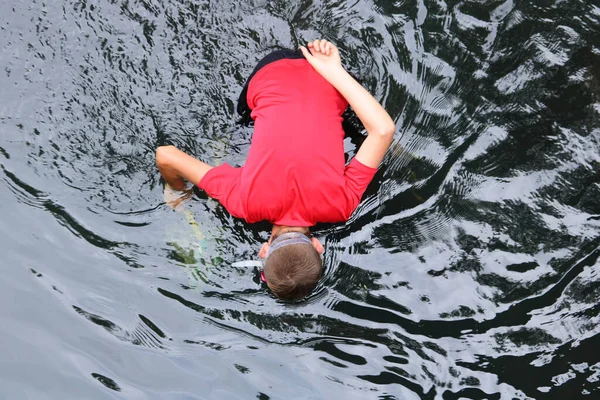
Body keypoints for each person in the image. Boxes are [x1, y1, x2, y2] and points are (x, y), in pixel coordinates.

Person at [156, 39, 395, 300]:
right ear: (263, 251)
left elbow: (383, 130)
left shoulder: (342, 206)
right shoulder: (244, 204)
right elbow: (165, 155)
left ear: (317, 246)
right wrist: (177, 192)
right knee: (243, 126)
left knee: (362, 134)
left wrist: (333, 70)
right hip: (269, 71)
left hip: (333, 78)